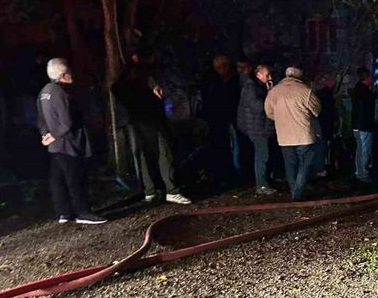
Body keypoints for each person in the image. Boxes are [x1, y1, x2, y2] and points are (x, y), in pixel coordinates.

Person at [114, 51, 191, 205]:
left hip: (141, 121)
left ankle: (151, 190)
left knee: (147, 154)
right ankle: (170, 190)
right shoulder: (140, 80)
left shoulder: (126, 83)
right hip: (149, 120)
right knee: (163, 152)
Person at [37, 58, 106, 224]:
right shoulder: (61, 93)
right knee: (76, 178)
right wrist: (55, 134)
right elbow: (67, 123)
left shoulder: (44, 92)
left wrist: (45, 134)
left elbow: (40, 118)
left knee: (58, 179)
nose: (72, 75)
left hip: (54, 145)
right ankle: (83, 212)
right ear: (63, 75)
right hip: (69, 144)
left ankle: (64, 212)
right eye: (69, 72)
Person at [264, 66, 321, 200]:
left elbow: (269, 112)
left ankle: (293, 189)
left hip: (284, 135)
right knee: (304, 164)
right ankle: (298, 192)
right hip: (303, 134)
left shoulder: (274, 92)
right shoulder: (305, 91)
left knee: (290, 164)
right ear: (299, 77)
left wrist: (280, 119)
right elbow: (317, 110)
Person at [237, 64, 277, 195]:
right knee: (262, 155)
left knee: (264, 155)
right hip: (258, 128)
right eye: (267, 75)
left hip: (260, 126)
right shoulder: (251, 87)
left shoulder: (255, 87)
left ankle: (265, 181)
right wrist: (270, 95)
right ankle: (262, 184)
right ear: (258, 75)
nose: (270, 78)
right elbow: (258, 106)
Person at [200, 54, 240, 184]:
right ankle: (222, 174)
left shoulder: (209, 80)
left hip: (215, 118)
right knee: (220, 146)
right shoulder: (216, 82)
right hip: (218, 119)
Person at [351, 67, 376, 183]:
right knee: (365, 150)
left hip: (357, 124)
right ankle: (363, 173)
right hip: (364, 125)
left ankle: (359, 171)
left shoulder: (357, 90)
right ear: (367, 77)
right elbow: (367, 109)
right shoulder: (365, 92)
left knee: (360, 150)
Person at [314, 74, 338, 177]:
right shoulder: (328, 96)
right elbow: (330, 112)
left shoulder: (318, 94)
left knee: (320, 146)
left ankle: (320, 166)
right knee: (322, 147)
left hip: (319, 123)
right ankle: (321, 167)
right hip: (325, 124)